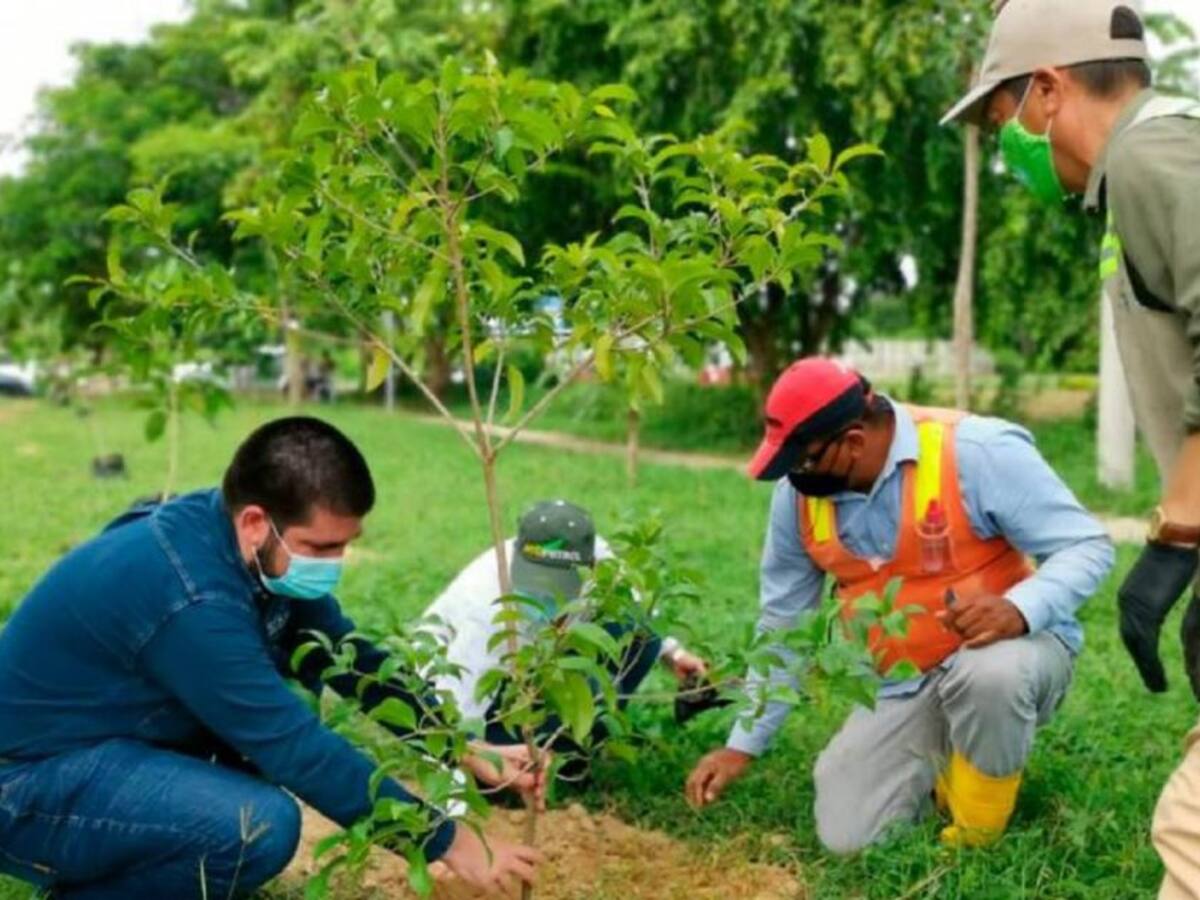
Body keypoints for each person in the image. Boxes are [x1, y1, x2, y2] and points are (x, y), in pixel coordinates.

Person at [0, 417, 542, 898]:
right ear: (257, 521)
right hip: (24, 784)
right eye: (322, 547)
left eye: (345, 545)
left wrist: (457, 745)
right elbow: (295, 748)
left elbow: (343, 657)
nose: (336, 563)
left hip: (93, 745)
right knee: (255, 825)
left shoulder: (231, 537)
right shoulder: (194, 599)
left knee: (254, 750)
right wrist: (445, 841)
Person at [942, 1, 1200, 891]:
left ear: (1049, 90)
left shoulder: (1150, 156)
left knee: (1191, 834)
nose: (1004, 141)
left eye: (1001, 115)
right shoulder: (1147, 165)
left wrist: (1177, 533)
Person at [684, 358, 1114, 852]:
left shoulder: (976, 451)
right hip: (905, 682)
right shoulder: (798, 499)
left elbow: (1087, 545)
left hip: (1016, 655)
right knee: (847, 836)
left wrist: (1019, 609)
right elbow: (785, 623)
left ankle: (977, 834)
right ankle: (952, 759)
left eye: (806, 459)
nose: (797, 476)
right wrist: (743, 743)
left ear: (853, 442)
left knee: (991, 674)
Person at [421, 499, 714, 763]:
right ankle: (544, 747)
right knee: (501, 761)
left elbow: (635, 604)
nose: (546, 594)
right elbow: (455, 718)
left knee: (642, 632)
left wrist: (674, 654)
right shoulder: (489, 607)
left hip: (537, 655)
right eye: (536, 581)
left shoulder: (600, 560)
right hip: (449, 687)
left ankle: (578, 742)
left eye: (558, 584)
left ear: (592, 564)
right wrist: (482, 758)